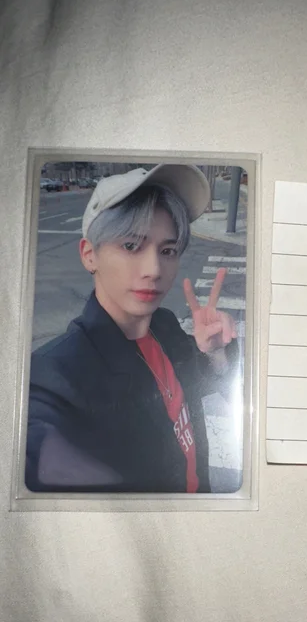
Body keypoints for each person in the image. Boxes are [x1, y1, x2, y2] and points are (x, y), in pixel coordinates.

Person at [26, 164, 240, 494]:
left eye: (167, 251)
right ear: (89, 255)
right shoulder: (55, 378)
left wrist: (215, 353)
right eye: (130, 246)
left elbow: (209, 384)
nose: (154, 269)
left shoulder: (165, 327)